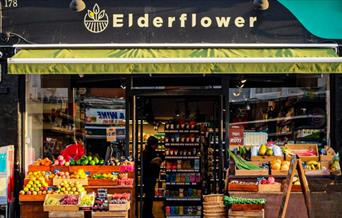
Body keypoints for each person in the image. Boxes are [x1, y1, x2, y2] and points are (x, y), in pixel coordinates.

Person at [142, 136, 164, 218]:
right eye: (156, 144)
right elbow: (149, 165)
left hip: (149, 177)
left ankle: (147, 213)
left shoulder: (147, 151)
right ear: (153, 144)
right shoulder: (148, 152)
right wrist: (156, 162)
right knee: (149, 197)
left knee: (149, 196)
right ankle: (147, 214)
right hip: (149, 178)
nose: (157, 146)